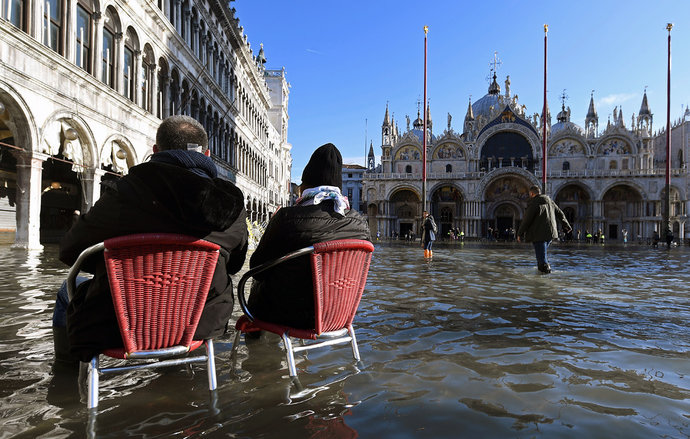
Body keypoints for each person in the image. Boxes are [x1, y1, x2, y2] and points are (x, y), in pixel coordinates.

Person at [53, 115, 248, 364]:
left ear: (156, 150)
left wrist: (119, 265)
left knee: (65, 291)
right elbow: (234, 265)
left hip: (117, 321)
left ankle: (65, 382)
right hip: (201, 319)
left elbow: (70, 252)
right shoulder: (232, 206)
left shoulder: (124, 192)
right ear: (207, 154)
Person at [247, 143, 370, 329]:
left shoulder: (287, 217)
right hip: (338, 315)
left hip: (288, 316)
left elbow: (257, 267)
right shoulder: (360, 224)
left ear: (305, 184)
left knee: (259, 287)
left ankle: (259, 351)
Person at [517, 185, 571, 274]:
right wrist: (567, 225)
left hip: (538, 234)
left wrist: (520, 233)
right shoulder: (550, 201)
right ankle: (543, 272)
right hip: (550, 233)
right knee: (543, 255)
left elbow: (527, 219)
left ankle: (544, 280)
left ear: (531, 193)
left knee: (542, 259)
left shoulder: (534, 202)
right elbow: (560, 213)